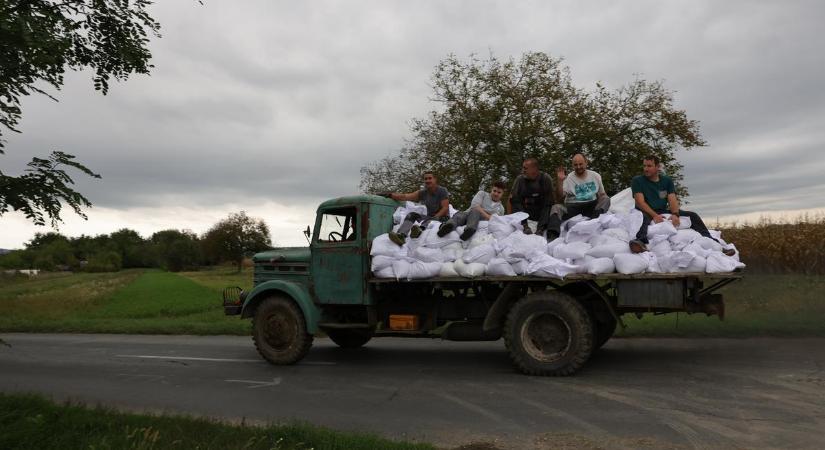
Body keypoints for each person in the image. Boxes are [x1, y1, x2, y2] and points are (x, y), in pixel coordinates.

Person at [629, 155, 735, 256]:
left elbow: (672, 199)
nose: (646, 169)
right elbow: (640, 202)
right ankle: (640, 242)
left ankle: (715, 244)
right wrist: (654, 216)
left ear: (657, 167)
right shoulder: (638, 181)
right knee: (642, 218)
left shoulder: (666, 181)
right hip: (644, 211)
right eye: (644, 166)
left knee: (693, 215)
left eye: (649, 166)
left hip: (662, 210)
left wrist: (675, 214)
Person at [546, 153, 611, 240]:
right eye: (575, 165)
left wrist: (603, 206)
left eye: (581, 164)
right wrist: (560, 181)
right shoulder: (568, 178)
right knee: (556, 207)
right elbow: (559, 198)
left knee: (606, 199)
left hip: (591, 206)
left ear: (586, 163)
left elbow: (602, 194)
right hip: (573, 207)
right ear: (572, 165)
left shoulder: (595, 176)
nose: (578, 167)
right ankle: (552, 236)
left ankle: (592, 222)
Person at [380, 171, 450, 246]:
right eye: (425, 179)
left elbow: (445, 208)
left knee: (429, 220)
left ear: (435, 179)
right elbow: (405, 196)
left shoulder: (442, 190)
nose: (427, 181)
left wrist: (434, 218)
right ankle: (401, 235)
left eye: (430, 178)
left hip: (442, 218)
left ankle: (419, 231)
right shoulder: (423, 193)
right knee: (412, 215)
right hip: (429, 217)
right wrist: (390, 195)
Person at [437, 181, 506, 241]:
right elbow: (475, 205)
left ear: (502, 194)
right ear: (491, 189)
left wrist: (481, 211)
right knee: (459, 215)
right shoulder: (482, 194)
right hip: (467, 214)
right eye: (494, 191)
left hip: (479, 218)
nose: (496, 194)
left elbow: (497, 221)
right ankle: (447, 227)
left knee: (475, 212)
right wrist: (488, 216)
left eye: (499, 192)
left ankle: (469, 230)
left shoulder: (501, 208)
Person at [509, 158, 557, 236]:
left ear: (534, 169)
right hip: (526, 212)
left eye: (525, 168)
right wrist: (509, 216)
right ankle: (525, 227)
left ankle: (540, 229)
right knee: (515, 199)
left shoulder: (545, 178)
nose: (522, 171)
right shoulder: (520, 180)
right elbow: (511, 200)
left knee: (549, 202)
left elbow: (552, 200)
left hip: (541, 212)